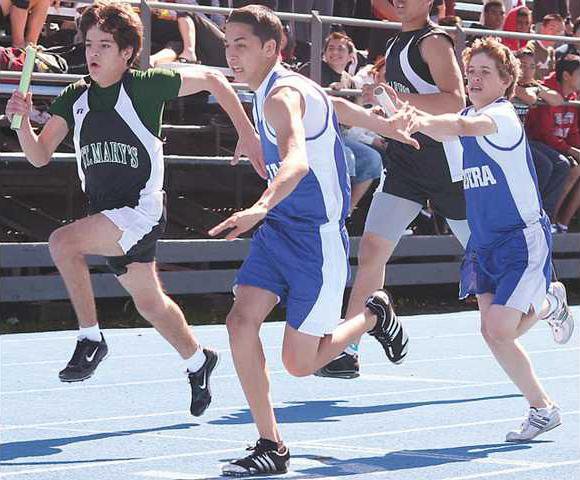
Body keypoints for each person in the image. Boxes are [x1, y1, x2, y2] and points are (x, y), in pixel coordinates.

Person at [4, 0, 263, 416]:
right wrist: (21, 124)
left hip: (139, 211)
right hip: (107, 215)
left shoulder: (144, 86)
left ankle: (90, 338)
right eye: (89, 44)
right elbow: (39, 156)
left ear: (127, 52)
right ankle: (198, 360)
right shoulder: (75, 97)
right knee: (150, 303)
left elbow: (215, 79)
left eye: (104, 45)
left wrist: (247, 135)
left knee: (62, 242)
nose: (93, 53)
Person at [210, 5, 419, 476]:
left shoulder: (280, 96)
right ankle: (271, 445)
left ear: (270, 48)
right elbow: (334, 107)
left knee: (301, 364)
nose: (231, 55)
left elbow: (297, 161)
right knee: (240, 322)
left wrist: (261, 205)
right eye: (227, 45)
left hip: (315, 241)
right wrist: (384, 124)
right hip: (279, 233)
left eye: (241, 45)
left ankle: (372, 315)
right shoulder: (286, 87)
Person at [409, 37, 574, 441]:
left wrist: (417, 118)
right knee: (493, 332)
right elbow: (450, 134)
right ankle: (543, 406)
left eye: (485, 72)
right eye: (471, 72)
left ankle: (547, 308)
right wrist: (391, 115)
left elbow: (459, 126)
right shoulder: (467, 116)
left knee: (500, 329)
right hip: (484, 242)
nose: (475, 79)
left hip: (520, 238)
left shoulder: (502, 116)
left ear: (505, 82)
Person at [317, 0, 469, 379]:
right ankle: (347, 349)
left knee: (487, 255)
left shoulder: (434, 42)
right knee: (372, 250)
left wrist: (396, 99)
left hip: (445, 164)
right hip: (405, 162)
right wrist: (381, 106)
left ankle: (545, 299)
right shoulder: (395, 43)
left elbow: (455, 100)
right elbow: (404, 106)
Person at [526, 54, 580, 233]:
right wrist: (572, 151)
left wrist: (575, 149)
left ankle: (562, 224)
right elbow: (544, 133)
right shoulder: (548, 93)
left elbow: (572, 132)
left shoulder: (573, 96)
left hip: (558, 146)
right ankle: (550, 219)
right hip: (540, 143)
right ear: (566, 76)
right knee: (568, 167)